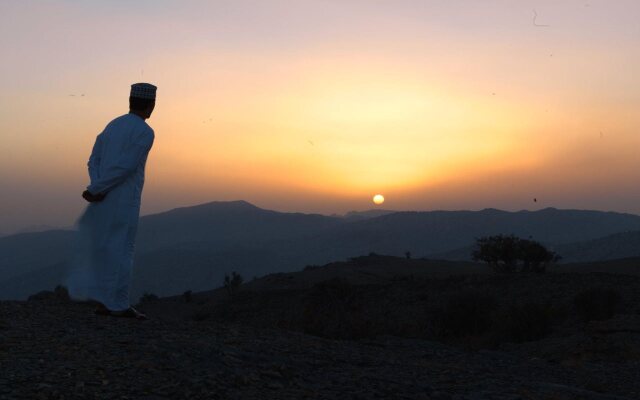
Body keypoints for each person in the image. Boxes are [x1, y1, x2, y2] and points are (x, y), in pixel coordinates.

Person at [67, 83, 157, 320]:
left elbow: (93, 160)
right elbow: (126, 166)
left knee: (105, 249)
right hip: (123, 199)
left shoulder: (112, 125)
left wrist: (96, 187)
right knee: (123, 250)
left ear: (130, 101)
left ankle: (105, 303)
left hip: (102, 198)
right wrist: (98, 187)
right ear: (151, 105)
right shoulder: (145, 132)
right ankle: (117, 305)